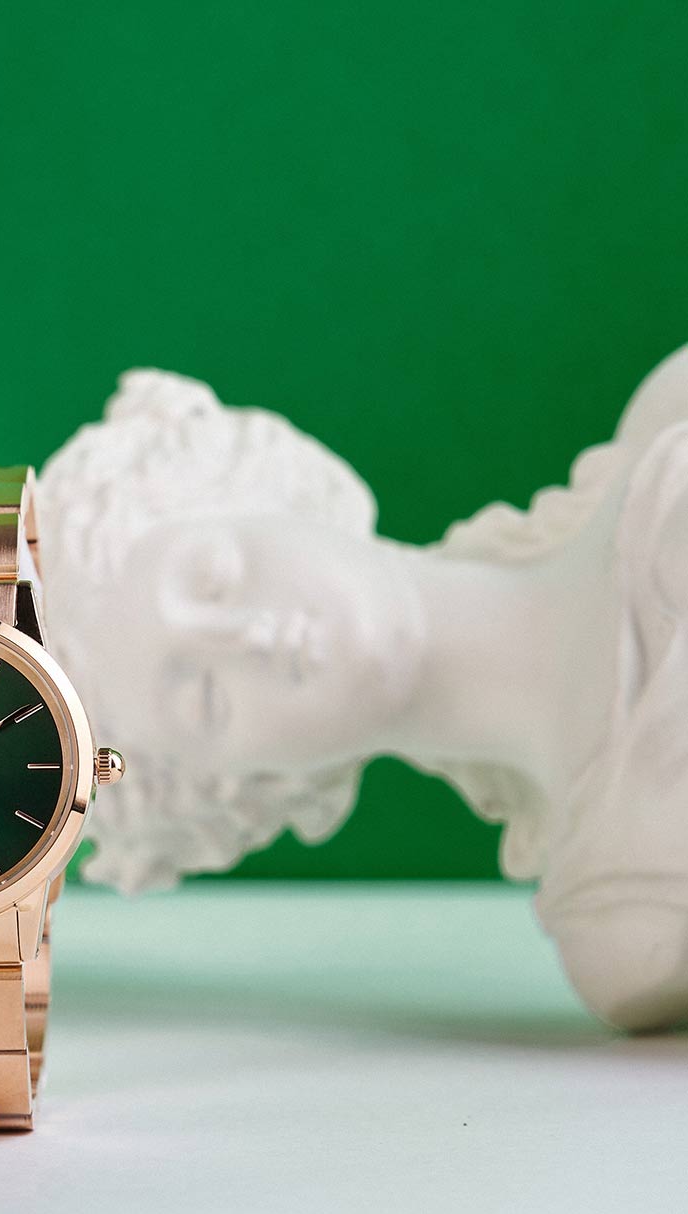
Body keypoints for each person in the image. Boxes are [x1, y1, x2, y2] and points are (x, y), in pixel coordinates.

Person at [40, 354, 688, 1029]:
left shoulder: (671, 417)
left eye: (212, 577)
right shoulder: (620, 926)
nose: (248, 638)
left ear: (265, 495)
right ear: (244, 787)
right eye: (205, 698)